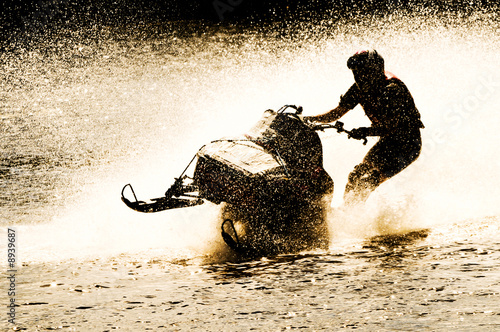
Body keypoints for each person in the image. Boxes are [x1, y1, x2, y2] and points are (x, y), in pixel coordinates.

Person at [305, 49, 424, 205]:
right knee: (356, 175)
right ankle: (345, 211)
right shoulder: (358, 89)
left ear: (375, 71)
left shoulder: (392, 89)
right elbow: (336, 113)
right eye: (355, 73)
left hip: (408, 145)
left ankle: (355, 218)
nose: (359, 77)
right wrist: (308, 119)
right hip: (388, 141)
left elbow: (391, 127)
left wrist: (364, 131)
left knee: (367, 182)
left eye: (363, 72)